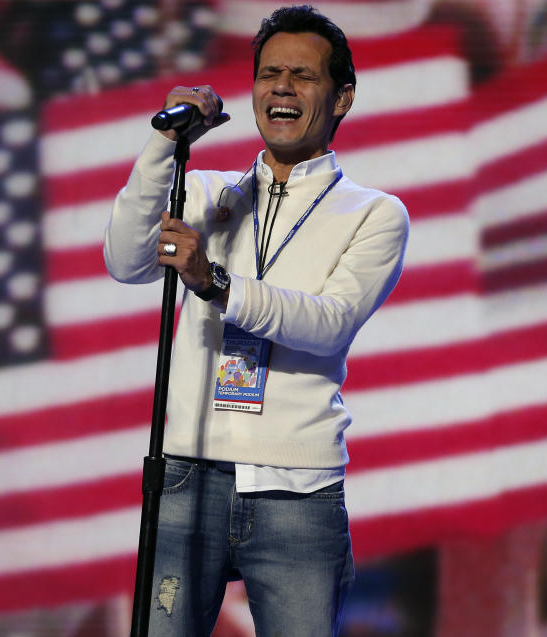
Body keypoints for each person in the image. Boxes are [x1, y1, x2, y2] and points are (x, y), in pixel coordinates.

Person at [104, 4, 409, 635]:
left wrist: (213, 282)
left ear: (342, 98)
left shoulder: (374, 214)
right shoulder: (213, 193)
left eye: (303, 75)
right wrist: (166, 143)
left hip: (297, 487)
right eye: (270, 74)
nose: (282, 88)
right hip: (188, 467)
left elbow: (329, 322)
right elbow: (125, 259)